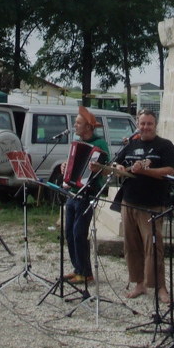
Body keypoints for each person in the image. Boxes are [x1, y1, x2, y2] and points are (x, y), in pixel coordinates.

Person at [113, 109, 174, 304]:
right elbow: (117, 164)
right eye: (142, 124)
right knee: (131, 246)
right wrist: (120, 169)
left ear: (155, 125)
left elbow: (169, 171)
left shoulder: (165, 146)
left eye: (149, 124)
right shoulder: (131, 145)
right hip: (129, 201)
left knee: (153, 246)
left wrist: (146, 170)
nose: (145, 127)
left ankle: (160, 286)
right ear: (137, 125)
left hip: (152, 205)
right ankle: (139, 283)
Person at [60, 107, 110, 284]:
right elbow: (72, 162)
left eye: (78, 123)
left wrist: (98, 168)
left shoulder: (100, 144)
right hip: (73, 192)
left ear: (89, 127)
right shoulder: (76, 142)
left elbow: (106, 170)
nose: (75, 125)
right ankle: (78, 268)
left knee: (79, 233)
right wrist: (65, 166)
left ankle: (85, 272)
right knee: (69, 232)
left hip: (88, 193)